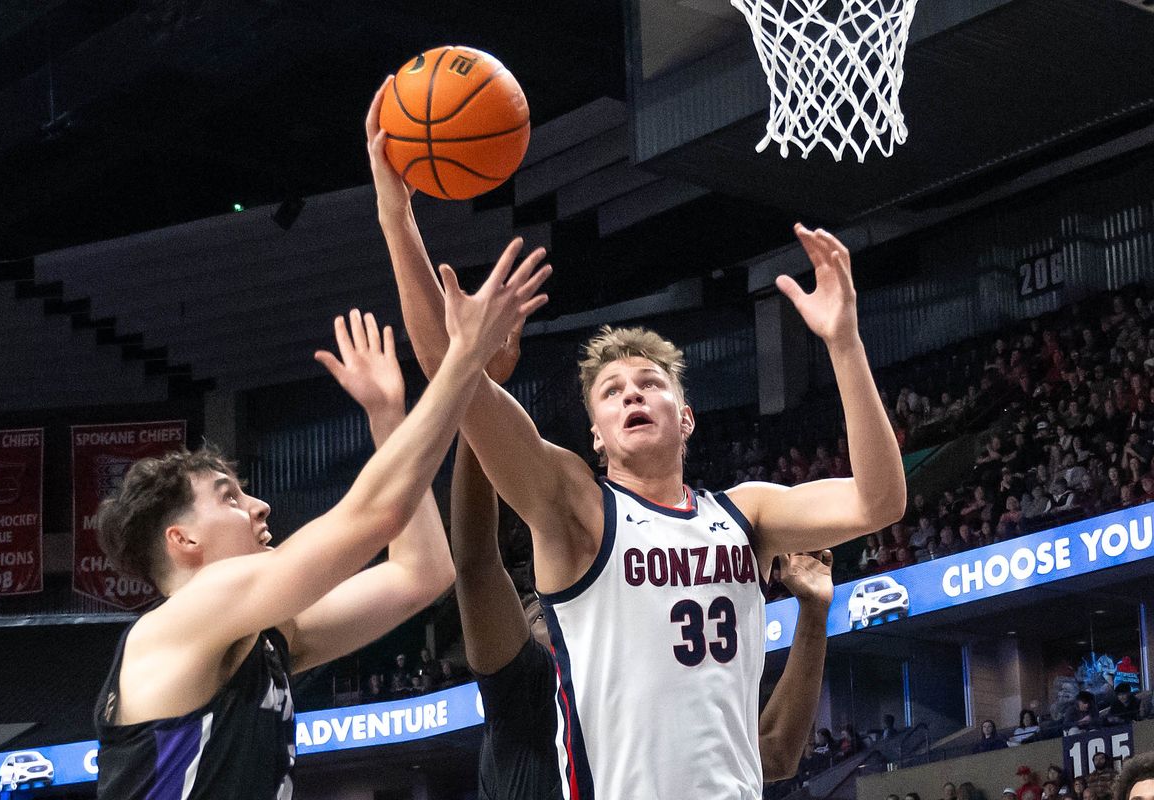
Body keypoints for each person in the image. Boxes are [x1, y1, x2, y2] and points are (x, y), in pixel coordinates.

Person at [367, 76, 906, 798]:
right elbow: (450, 378)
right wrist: (397, 218)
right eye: (613, 392)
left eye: (651, 383)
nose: (633, 394)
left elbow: (880, 501)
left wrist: (843, 343)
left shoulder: (749, 513)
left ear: (685, 416)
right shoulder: (575, 509)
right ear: (596, 434)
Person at [92, 250, 550, 799]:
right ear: (183, 539)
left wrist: (386, 416)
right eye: (229, 499)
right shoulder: (175, 627)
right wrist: (463, 358)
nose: (260, 506)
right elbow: (374, 515)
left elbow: (420, 574)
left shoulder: (266, 640)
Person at [447, 325, 842, 797]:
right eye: (534, 606)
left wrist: (814, 616)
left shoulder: (652, 656)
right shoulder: (522, 687)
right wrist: (480, 419)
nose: (542, 608)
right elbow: (475, 565)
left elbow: (775, 755)